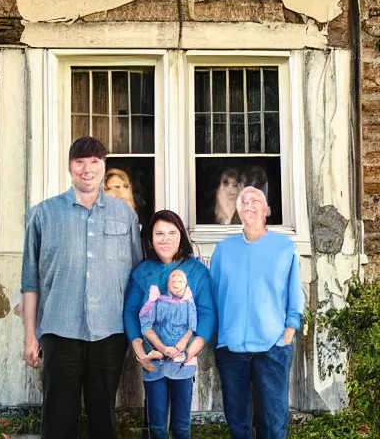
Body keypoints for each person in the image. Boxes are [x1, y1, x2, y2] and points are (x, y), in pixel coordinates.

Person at [21, 136, 143, 439]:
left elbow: (138, 278)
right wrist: (29, 336)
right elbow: (29, 281)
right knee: (58, 417)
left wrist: (140, 334)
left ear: (103, 166)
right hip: (59, 330)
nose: (86, 169)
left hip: (110, 332)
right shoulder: (43, 215)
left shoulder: (124, 215)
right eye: (79, 162)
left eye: (94, 162)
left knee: (103, 417)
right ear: (69, 167)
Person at [210, 186, 305, 439]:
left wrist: (289, 328)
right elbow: (214, 293)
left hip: (272, 345)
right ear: (237, 210)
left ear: (267, 209)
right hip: (231, 346)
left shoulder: (284, 248)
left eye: (256, 200)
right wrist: (219, 336)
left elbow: (294, 291)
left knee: (273, 420)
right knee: (237, 419)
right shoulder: (223, 249)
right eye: (244, 201)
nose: (249, 205)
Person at [124, 210, 216, 439]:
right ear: (151, 239)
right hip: (152, 359)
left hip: (184, 359)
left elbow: (207, 313)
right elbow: (131, 311)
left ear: (181, 236)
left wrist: (187, 352)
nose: (165, 239)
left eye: (172, 232)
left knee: (182, 427)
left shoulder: (196, 270)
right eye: (159, 233)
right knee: (156, 427)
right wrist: (140, 353)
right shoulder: (142, 271)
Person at [139, 268, 197, 369]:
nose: (176, 283)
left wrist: (184, 341)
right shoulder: (159, 302)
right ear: (168, 284)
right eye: (173, 280)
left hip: (181, 349)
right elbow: (146, 325)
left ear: (185, 284)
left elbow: (192, 325)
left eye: (180, 281)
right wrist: (162, 348)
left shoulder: (189, 303)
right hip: (159, 347)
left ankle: (181, 356)